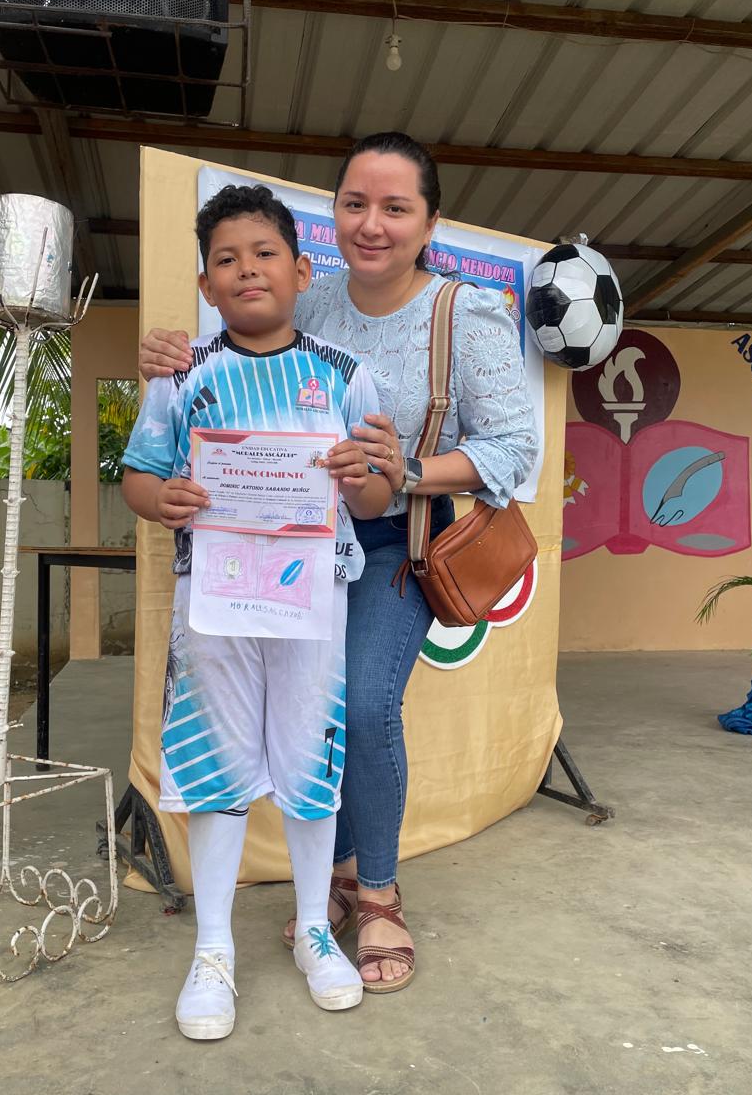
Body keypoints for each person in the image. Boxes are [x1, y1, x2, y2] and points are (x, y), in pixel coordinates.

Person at [138, 132, 538, 995]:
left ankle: (378, 892)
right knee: (311, 716)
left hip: (397, 542)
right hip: (289, 552)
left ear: (430, 221)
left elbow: (514, 448)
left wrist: (407, 469)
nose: (372, 224)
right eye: (355, 204)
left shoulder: (464, 314)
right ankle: (334, 882)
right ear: (331, 219)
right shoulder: (308, 302)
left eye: (396, 207)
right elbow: (232, 376)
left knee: (362, 706)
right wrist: (167, 357)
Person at [122, 183, 392, 1040]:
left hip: (312, 605)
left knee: (312, 761)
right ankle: (213, 950)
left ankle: (314, 929)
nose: (247, 270)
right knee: (218, 765)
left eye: (265, 254)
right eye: (227, 260)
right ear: (206, 285)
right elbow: (138, 477)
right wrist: (161, 499)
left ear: (301, 271)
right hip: (216, 605)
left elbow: (376, 498)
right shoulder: (181, 374)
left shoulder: (346, 375)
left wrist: (364, 476)